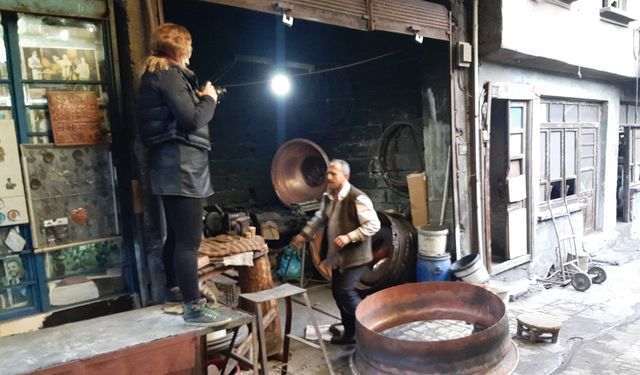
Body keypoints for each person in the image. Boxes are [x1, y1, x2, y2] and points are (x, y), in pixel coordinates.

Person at [136, 23, 228, 326]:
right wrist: (209, 99)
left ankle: (175, 290)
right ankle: (194, 307)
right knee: (190, 241)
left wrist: (198, 97)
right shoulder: (168, 76)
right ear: (180, 49)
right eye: (187, 46)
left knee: (176, 236)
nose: (190, 52)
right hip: (181, 167)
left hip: (170, 166)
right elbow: (191, 120)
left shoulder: (157, 76)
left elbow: (179, 116)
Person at [290, 159, 380, 345]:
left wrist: (349, 237)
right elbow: (320, 217)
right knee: (338, 294)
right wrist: (304, 235)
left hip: (356, 256)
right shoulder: (329, 195)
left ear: (345, 177)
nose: (328, 177)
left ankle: (371, 331)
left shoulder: (358, 198)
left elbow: (373, 225)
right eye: (327, 174)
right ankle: (350, 334)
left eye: (333, 174)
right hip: (338, 257)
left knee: (345, 292)